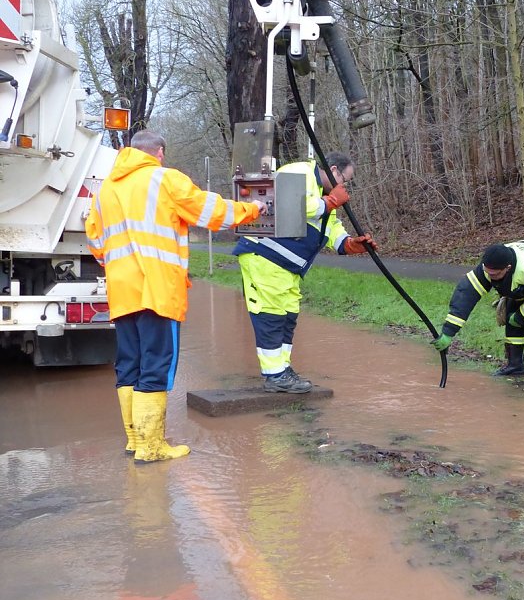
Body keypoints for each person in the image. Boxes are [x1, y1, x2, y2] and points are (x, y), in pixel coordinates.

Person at [85, 130, 264, 462]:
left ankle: (135, 440)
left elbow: (95, 240)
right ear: (160, 153)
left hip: (122, 291)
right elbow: (211, 211)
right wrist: (251, 209)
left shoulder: (106, 189)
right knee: (157, 365)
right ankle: (152, 448)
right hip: (157, 289)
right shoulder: (164, 179)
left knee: (129, 365)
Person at [232, 152, 377, 393]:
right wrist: (329, 202)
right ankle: (274, 375)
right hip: (266, 257)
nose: (345, 187)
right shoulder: (298, 173)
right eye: (345, 180)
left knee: (288, 317)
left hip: (288, 268)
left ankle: (282, 369)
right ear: (333, 169)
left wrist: (351, 244)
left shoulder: (325, 197)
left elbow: (331, 229)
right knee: (271, 315)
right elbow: (290, 203)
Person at [432, 239, 524, 388]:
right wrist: (448, 332)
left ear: (508, 268)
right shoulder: (489, 265)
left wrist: (521, 316)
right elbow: (465, 295)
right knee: (511, 308)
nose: (490, 277)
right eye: (488, 273)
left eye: (495, 275)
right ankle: (516, 365)